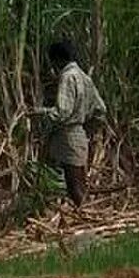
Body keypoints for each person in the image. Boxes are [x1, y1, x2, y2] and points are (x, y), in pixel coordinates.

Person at [34, 40, 106, 206]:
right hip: (79, 136)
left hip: (67, 137)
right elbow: (100, 109)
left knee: (74, 186)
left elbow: (62, 112)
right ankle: (87, 217)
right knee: (79, 182)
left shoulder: (67, 77)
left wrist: (38, 113)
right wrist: (87, 128)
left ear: (58, 59)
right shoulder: (84, 77)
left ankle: (86, 219)